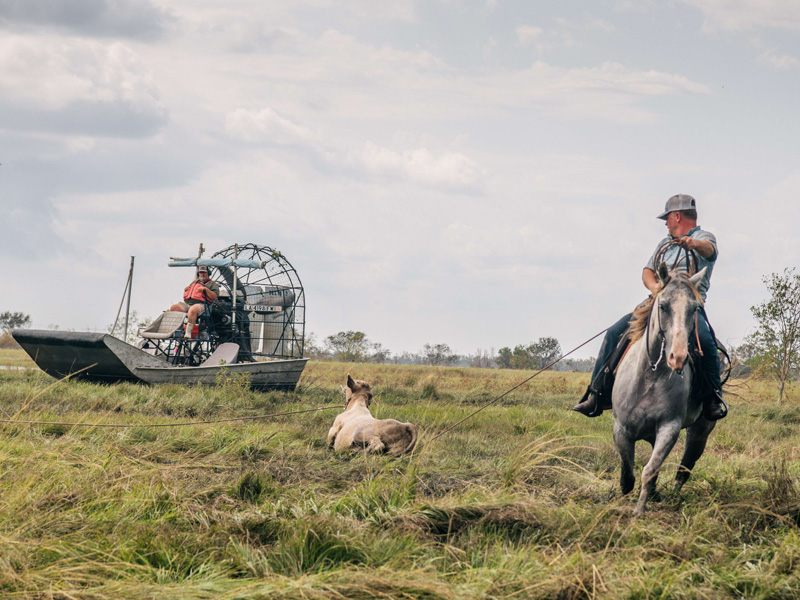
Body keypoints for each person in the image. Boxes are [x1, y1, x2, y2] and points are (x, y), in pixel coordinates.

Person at [572, 194, 728, 421]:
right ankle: (596, 393)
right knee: (615, 331)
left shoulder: (704, 237)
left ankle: (713, 398)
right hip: (657, 304)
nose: (666, 223)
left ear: (677, 216)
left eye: (667, 219)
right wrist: (656, 288)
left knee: (705, 340)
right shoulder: (664, 244)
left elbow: (709, 250)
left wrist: (693, 243)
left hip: (688, 308)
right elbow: (647, 271)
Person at [170, 266, 219, 338]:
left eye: (204, 273)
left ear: (208, 273)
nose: (202, 274)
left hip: (202, 305)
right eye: (200, 273)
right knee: (174, 307)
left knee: (193, 309)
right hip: (188, 304)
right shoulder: (195, 282)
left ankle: (188, 332)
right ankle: (177, 331)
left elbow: (214, 296)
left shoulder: (212, 284)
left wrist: (206, 290)